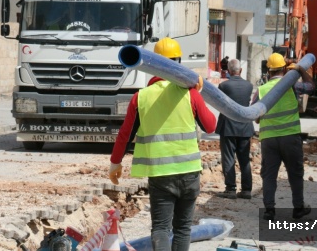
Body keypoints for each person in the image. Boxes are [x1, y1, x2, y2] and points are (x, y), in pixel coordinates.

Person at [108, 37, 216, 251]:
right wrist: (199, 95)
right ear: (178, 61)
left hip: (161, 176)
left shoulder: (141, 97)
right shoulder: (190, 93)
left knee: (161, 228)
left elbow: (124, 135)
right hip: (189, 173)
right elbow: (211, 126)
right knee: (183, 229)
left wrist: (115, 163)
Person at [251, 53, 313, 221]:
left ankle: (269, 211)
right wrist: (300, 69)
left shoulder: (261, 90)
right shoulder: (291, 85)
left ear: (268, 71)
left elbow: (255, 116)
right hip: (290, 138)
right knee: (295, 173)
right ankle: (298, 208)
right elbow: (310, 86)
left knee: (269, 175)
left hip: (269, 139)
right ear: (285, 69)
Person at [215, 59, 254, 200]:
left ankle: (230, 189)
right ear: (240, 70)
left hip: (228, 127)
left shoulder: (224, 86)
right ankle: (247, 190)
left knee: (229, 158)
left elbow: (219, 104)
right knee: (244, 159)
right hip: (244, 126)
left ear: (228, 71)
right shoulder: (249, 85)